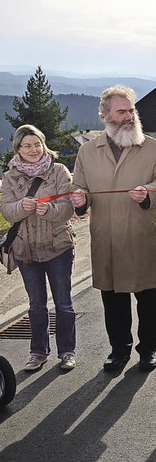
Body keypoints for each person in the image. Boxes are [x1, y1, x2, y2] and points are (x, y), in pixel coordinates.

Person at [70, 85, 156, 372]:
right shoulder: (88, 152)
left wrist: (148, 191)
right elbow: (79, 187)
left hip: (143, 236)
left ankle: (148, 349)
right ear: (105, 115)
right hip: (108, 239)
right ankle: (119, 350)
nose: (129, 116)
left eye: (131, 110)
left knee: (150, 301)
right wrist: (80, 199)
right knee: (113, 301)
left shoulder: (154, 148)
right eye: (122, 111)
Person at [0, 125, 77, 371]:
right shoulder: (9, 176)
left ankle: (67, 352)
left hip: (58, 248)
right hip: (26, 251)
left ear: (43, 145)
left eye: (37, 144)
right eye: (27, 145)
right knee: (36, 304)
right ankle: (38, 352)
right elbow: (7, 212)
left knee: (64, 303)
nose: (33, 150)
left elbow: (68, 208)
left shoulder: (59, 171)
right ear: (18, 149)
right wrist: (23, 206)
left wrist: (50, 211)